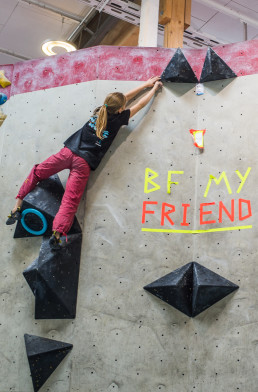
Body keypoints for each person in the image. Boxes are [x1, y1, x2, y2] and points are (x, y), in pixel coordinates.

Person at [6, 76, 163, 249]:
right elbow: (139, 105)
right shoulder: (119, 119)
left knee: (37, 172)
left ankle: (16, 206)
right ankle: (57, 234)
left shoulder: (99, 110)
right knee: (70, 201)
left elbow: (122, 98)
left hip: (68, 152)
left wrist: (145, 84)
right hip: (83, 163)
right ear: (120, 109)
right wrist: (153, 89)